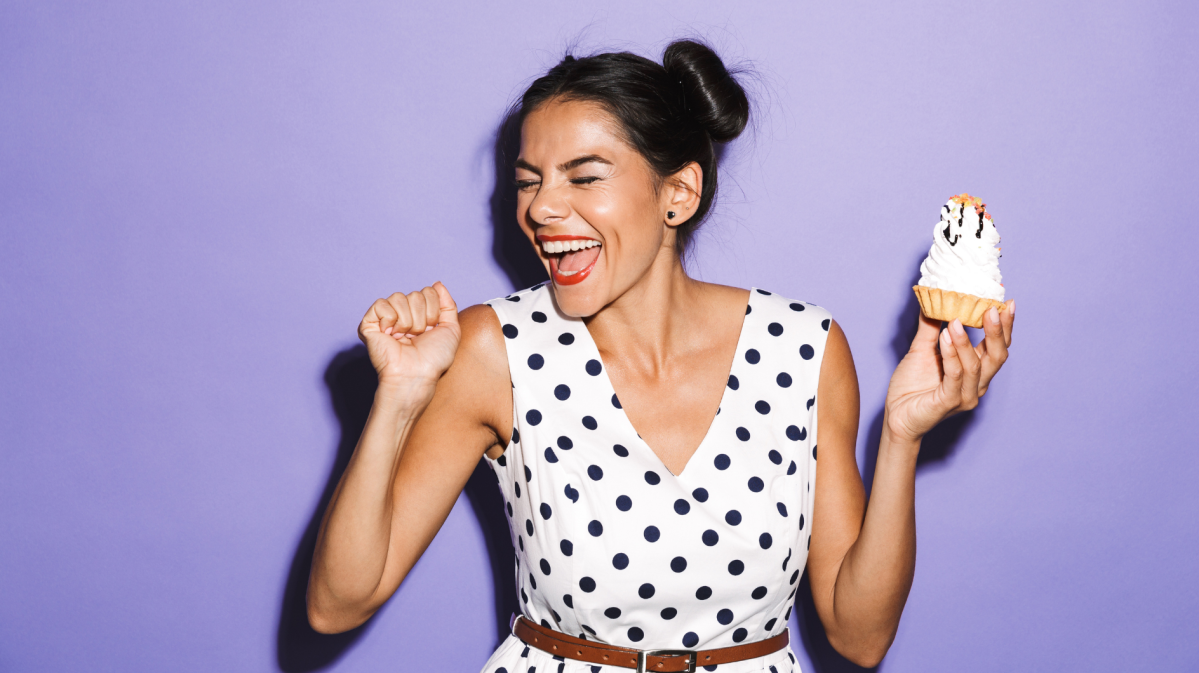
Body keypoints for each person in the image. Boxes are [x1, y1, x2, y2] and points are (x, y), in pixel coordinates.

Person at [305, 39, 1015, 671]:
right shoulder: (495, 348)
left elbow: (860, 638)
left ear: (676, 192)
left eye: (583, 177)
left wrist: (899, 437)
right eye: (528, 180)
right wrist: (398, 395)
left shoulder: (803, 348)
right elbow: (338, 604)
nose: (541, 208)